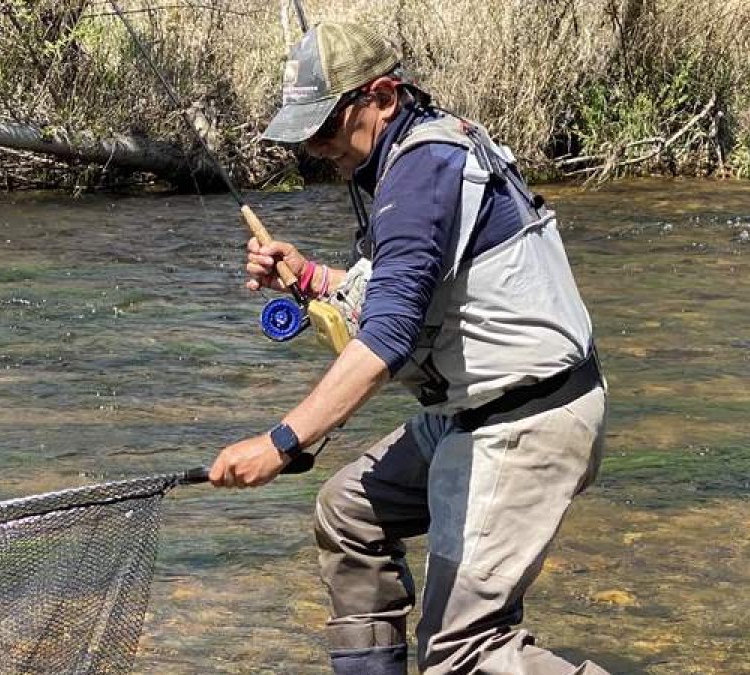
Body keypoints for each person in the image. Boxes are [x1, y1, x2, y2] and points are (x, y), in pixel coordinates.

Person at [208, 21, 609, 675]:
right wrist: (308, 278)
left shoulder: (421, 171)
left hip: (528, 418)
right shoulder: (416, 159)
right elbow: (399, 292)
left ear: (383, 96)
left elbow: (388, 337)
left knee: (463, 651)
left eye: (326, 127)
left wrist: (281, 442)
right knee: (350, 514)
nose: (316, 147)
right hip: (475, 411)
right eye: (306, 133)